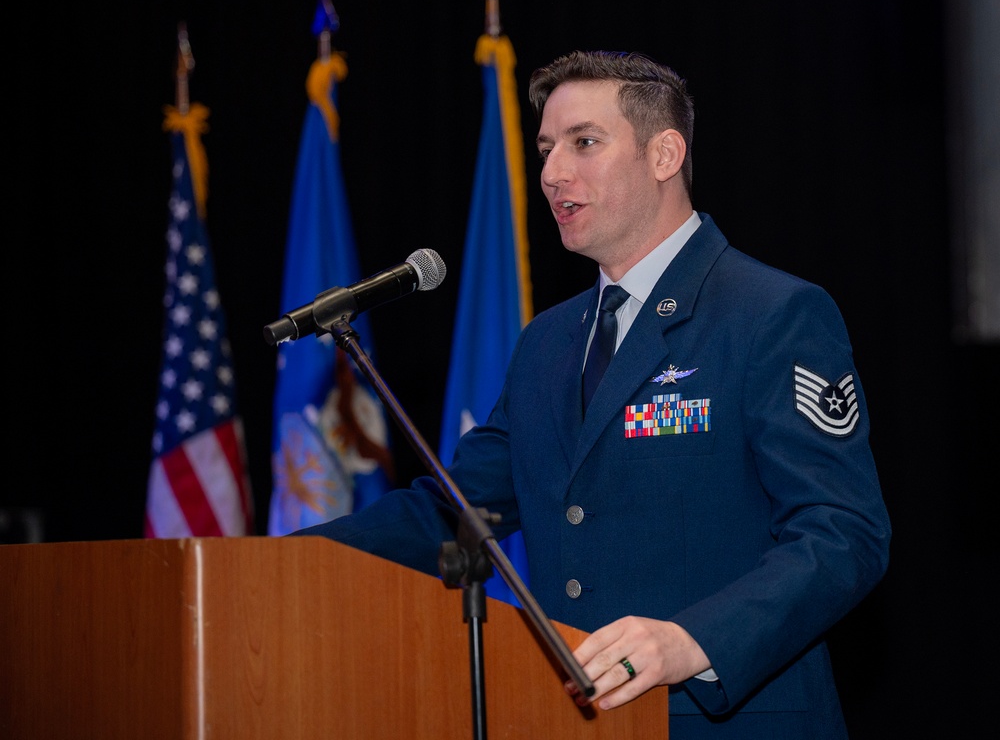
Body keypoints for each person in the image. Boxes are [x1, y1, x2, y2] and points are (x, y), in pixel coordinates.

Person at [295, 50, 891, 738]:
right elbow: (453, 512)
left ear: (665, 153)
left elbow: (844, 534)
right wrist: (284, 567)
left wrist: (690, 642)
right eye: (547, 148)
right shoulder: (547, 343)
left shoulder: (771, 314)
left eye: (584, 143)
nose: (551, 173)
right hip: (569, 721)